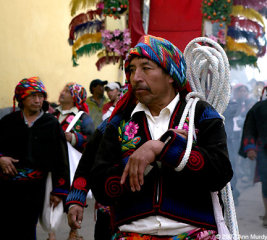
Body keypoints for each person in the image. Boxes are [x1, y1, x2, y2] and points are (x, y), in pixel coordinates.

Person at [67, 35, 233, 240]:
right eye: (131, 70)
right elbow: (102, 188)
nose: (135, 77)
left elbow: (220, 173)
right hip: (131, 233)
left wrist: (163, 148)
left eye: (146, 68)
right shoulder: (120, 122)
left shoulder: (200, 114)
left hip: (193, 232)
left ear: (170, 74)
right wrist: (143, 160)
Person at [0, 77, 70, 240]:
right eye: (32, 96)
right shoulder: (8, 121)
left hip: (34, 190)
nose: (37, 100)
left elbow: (61, 160)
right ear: (21, 98)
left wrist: (59, 191)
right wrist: (1, 159)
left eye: (40, 96)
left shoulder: (51, 124)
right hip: (5, 189)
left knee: (26, 230)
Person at [48, 82, 94, 240]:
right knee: (50, 196)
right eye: (63, 90)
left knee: (72, 196)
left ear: (75, 97)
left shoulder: (83, 118)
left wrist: (75, 138)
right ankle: (51, 233)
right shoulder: (52, 114)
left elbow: (92, 140)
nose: (62, 93)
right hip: (53, 163)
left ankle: (73, 232)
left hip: (72, 165)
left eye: (67, 91)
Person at [239, 86, 267, 228]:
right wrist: (250, 148)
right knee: (266, 184)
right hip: (264, 152)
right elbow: (249, 128)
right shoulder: (258, 108)